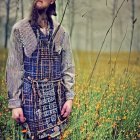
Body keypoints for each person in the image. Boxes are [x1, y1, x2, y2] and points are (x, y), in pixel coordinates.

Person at [5, 0, 75, 139]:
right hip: (30, 101)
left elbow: (68, 68)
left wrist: (69, 98)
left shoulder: (60, 32)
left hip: (56, 101)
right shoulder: (20, 29)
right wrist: (15, 104)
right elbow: (14, 68)